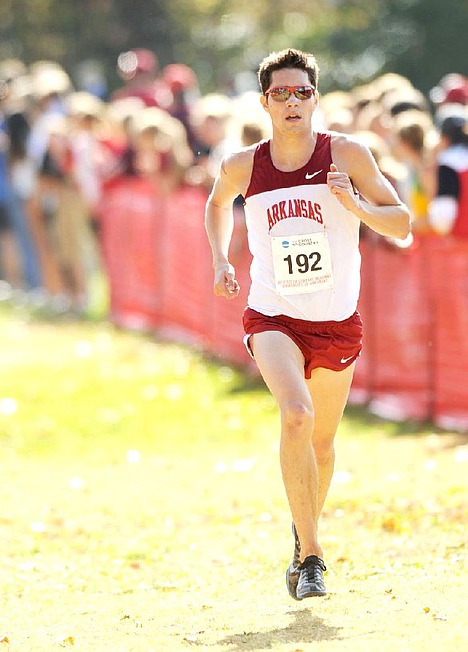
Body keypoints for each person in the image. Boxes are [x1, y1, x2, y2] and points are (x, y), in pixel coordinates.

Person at [204, 48, 410, 600]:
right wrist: (222, 259)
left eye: (302, 92)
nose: (292, 102)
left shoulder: (346, 154)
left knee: (321, 443)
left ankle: (302, 538)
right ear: (264, 101)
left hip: (336, 320)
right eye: (280, 93)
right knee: (296, 414)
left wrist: (356, 204)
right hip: (272, 314)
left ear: (315, 98)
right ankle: (316, 557)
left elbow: (402, 222)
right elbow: (217, 203)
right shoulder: (244, 165)